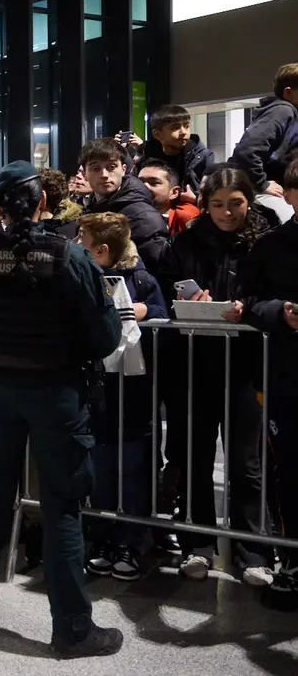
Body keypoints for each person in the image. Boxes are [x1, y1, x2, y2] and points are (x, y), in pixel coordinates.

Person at [0, 160, 123, 658]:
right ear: (43, 202)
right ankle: (72, 629)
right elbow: (106, 337)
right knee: (62, 506)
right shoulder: (71, 258)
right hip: (56, 393)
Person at [156, 165, 277, 586]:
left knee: (247, 464)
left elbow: (274, 295)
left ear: (249, 202)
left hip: (248, 366)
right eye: (218, 204)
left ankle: (254, 550)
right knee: (195, 459)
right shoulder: (185, 242)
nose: (227, 213)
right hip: (194, 365)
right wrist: (191, 299)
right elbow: (168, 288)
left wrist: (250, 307)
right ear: (205, 205)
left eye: (236, 203)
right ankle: (197, 545)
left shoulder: (265, 242)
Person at [76, 212, 167, 581]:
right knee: (99, 468)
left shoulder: (142, 280)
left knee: (132, 468)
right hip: (94, 392)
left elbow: (162, 314)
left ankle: (130, 540)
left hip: (132, 395)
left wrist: (144, 312)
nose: (75, 245)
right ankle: (101, 537)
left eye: (81, 240)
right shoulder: (78, 277)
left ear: (101, 249)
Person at [237, 156, 298, 605]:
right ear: (289, 194)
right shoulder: (271, 246)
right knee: (290, 471)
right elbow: (249, 301)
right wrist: (281, 312)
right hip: (288, 376)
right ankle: (293, 560)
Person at [79, 138, 170, 268]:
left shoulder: (143, 216)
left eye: (111, 167)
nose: (104, 174)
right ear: (84, 174)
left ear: (123, 169)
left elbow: (157, 270)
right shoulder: (90, 207)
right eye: (96, 168)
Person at [230, 62, 298, 199]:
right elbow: (246, 150)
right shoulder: (282, 111)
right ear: (288, 92)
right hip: (266, 193)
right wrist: (262, 184)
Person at [133, 103, 215, 199]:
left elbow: (214, 192)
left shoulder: (202, 156)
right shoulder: (147, 156)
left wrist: (196, 198)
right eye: (175, 128)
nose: (183, 132)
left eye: (186, 126)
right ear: (158, 135)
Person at [138, 160, 199, 236]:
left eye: (154, 183)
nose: (144, 186)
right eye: (139, 182)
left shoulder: (187, 216)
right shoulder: (129, 213)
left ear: (174, 193)